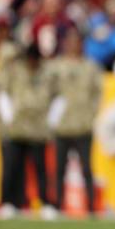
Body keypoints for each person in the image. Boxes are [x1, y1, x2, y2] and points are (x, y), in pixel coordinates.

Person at [48, 27, 103, 215]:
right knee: (59, 169)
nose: (74, 45)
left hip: (82, 125)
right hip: (62, 126)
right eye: (70, 41)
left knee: (87, 168)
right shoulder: (56, 66)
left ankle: (91, 206)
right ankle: (58, 205)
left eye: (77, 41)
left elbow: (98, 93)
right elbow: (49, 92)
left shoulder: (90, 67)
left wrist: (91, 114)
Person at [0, 45, 56, 219]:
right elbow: (3, 94)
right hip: (17, 127)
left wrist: (51, 120)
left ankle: (44, 203)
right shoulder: (15, 71)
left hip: (38, 128)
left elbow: (57, 97)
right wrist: (9, 118)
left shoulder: (47, 73)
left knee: (40, 169)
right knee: (11, 167)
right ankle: (9, 203)